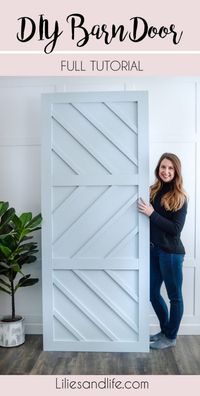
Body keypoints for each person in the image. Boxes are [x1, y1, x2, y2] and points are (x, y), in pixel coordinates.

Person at [138, 153, 187, 349]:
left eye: (170, 168)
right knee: (151, 292)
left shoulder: (180, 197)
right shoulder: (152, 191)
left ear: (176, 172)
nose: (166, 171)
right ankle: (165, 330)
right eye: (163, 167)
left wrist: (152, 214)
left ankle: (171, 336)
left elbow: (175, 229)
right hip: (153, 251)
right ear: (158, 169)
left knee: (175, 297)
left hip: (172, 254)